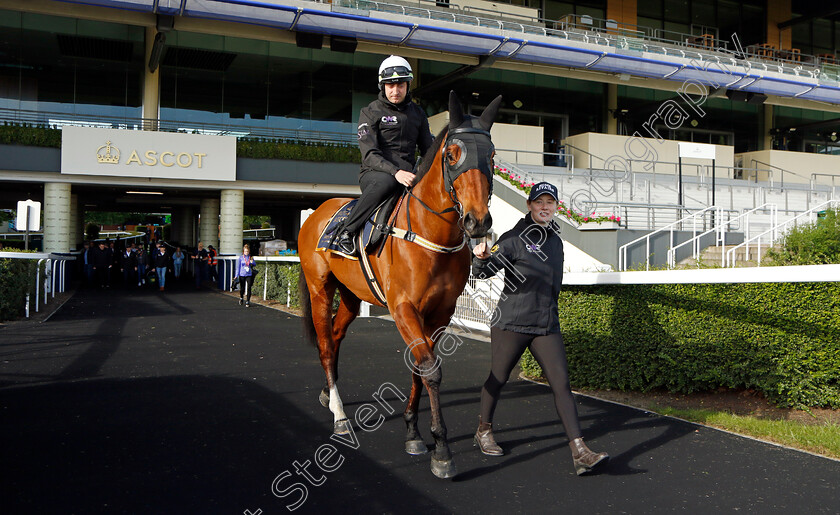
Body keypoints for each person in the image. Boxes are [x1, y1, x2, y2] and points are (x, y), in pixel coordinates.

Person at [470, 181, 609, 476]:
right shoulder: (514, 238)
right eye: (539, 202)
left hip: (546, 325)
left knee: (562, 385)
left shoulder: (555, 239)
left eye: (550, 202)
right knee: (498, 378)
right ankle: (483, 430)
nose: (545, 207)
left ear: (555, 207)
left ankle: (580, 451)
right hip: (512, 322)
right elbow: (484, 272)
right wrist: (480, 258)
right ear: (529, 206)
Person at [335, 55, 433, 256]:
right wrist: (396, 172)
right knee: (386, 183)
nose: (395, 91)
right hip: (375, 173)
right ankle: (346, 230)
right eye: (390, 86)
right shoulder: (369, 112)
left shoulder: (418, 114)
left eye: (400, 85)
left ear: (408, 85)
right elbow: (369, 154)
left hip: (408, 175)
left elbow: (428, 150)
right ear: (383, 86)